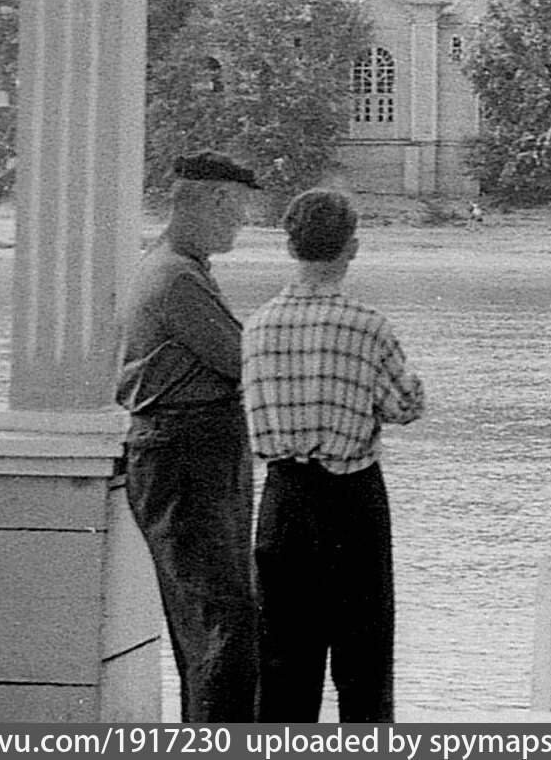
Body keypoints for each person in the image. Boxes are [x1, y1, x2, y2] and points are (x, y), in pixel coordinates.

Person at [242, 187, 427, 723]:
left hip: (282, 500)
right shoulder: (368, 325)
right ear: (353, 247)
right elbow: (404, 405)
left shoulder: (257, 327)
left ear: (290, 247)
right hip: (352, 499)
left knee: (281, 664)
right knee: (364, 665)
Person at [114, 150, 267, 722]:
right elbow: (245, 359)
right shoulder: (176, 276)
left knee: (208, 625)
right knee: (225, 623)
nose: (243, 222)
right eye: (239, 209)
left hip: (192, 456)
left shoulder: (174, 267)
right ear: (215, 201)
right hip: (186, 459)